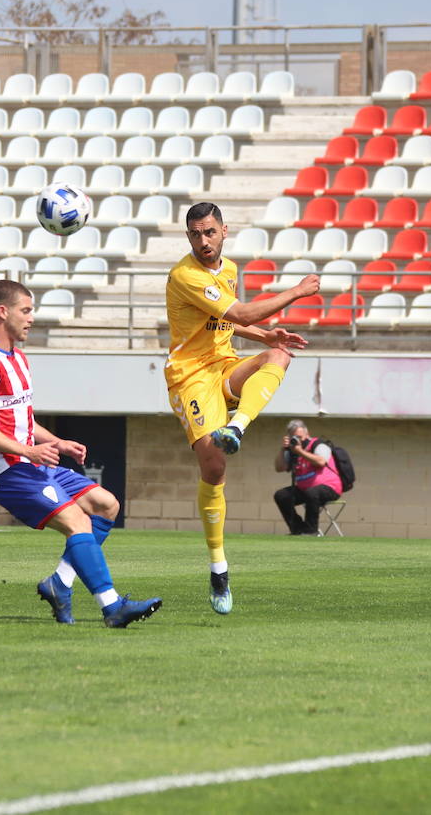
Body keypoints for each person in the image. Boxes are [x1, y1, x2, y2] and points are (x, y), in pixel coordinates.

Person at [0, 279, 161, 628]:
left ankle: (59, 583)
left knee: (106, 505)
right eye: (25, 310)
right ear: (3, 312)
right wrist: (29, 450)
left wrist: (57, 443)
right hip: (6, 471)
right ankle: (112, 607)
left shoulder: (18, 358)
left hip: (30, 462)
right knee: (78, 522)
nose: (31, 318)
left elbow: (22, 420)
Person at [164, 201, 320, 614]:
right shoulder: (185, 275)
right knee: (214, 468)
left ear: (224, 231)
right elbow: (241, 311)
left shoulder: (229, 269)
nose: (203, 241)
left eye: (209, 232)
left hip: (224, 364)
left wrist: (267, 337)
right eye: (195, 234)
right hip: (190, 376)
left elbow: (227, 321)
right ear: (188, 236)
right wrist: (297, 292)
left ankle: (238, 426)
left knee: (280, 355)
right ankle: (218, 567)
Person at [273, 419, 343, 536]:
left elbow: (321, 461)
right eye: (294, 437)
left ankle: (311, 531)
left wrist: (300, 451)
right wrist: (283, 449)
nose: (298, 440)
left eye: (300, 437)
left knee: (312, 492)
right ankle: (298, 529)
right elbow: (279, 468)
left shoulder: (319, 445)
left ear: (307, 434)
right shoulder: (292, 450)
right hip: (305, 490)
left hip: (330, 488)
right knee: (281, 496)